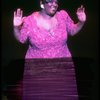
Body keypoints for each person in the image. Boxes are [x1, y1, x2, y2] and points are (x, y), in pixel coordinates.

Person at [12, 0, 86, 100]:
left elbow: (72, 30)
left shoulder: (63, 16)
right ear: (41, 3)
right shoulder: (29, 21)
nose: (54, 4)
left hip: (62, 70)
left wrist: (81, 22)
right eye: (50, 1)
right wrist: (16, 27)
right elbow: (22, 39)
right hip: (38, 72)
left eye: (56, 2)